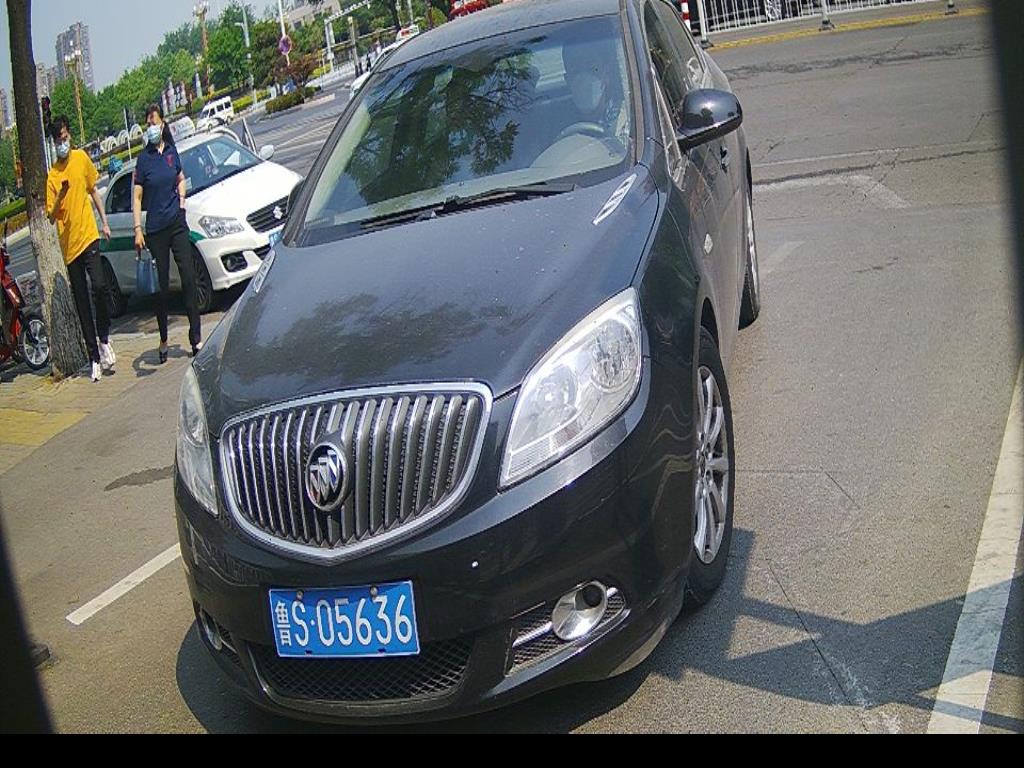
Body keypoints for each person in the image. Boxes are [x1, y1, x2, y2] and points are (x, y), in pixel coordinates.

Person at [45, 115, 115, 382]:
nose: (62, 143)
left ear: (69, 135)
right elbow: (50, 217)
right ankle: (94, 358)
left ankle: (104, 338)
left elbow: (93, 190)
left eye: (64, 137)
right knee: (82, 303)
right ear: (53, 143)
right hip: (70, 246)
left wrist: (104, 222)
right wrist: (60, 197)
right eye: (58, 140)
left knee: (100, 286)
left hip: (89, 235)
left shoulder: (81, 158)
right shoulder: (53, 176)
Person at [132, 104, 202, 364]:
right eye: (148, 124)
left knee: (189, 278)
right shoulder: (143, 160)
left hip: (176, 223)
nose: (151, 128)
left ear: (162, 125)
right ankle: (163, 338)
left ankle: (196, 337)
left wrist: (181, 203)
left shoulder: (172, 152)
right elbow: (137, 197)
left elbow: (180, 178)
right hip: (156, 230)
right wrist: (137, 229)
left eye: (154, 123)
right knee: (161, 288)